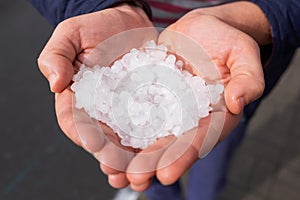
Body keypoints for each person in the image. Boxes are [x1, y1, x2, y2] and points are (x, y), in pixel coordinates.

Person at [29, 0, 300, 199]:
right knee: (146, 171)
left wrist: (260, 17)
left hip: (227, 67)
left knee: (212, 162)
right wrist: (92, 6)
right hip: (119, 27)